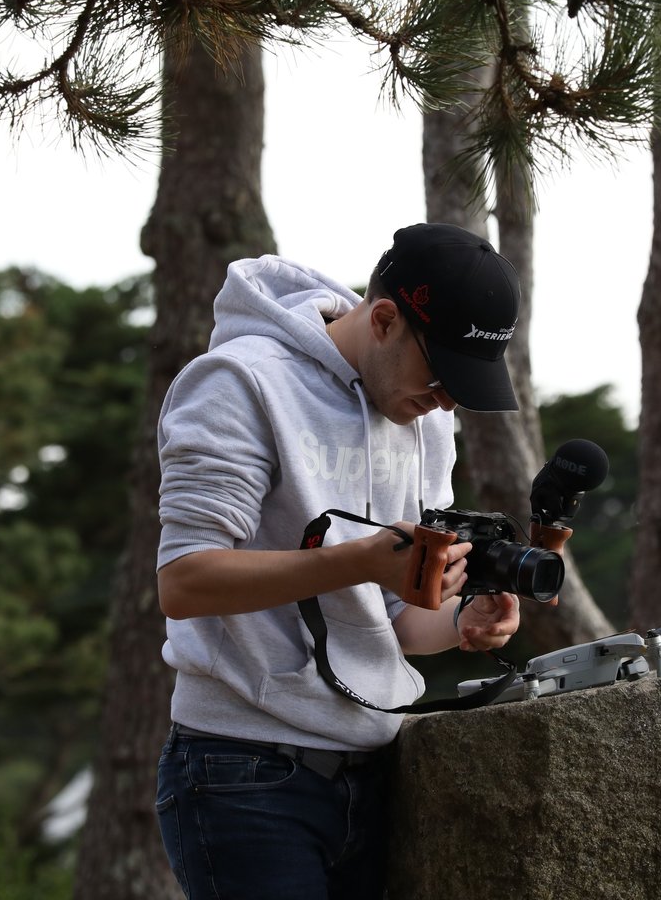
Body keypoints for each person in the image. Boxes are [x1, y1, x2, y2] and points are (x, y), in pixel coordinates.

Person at [153, 222, 525, 899]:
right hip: (244, 772)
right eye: (440, 374)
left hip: (379, 766)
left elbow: (394, 621)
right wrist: (360, 561)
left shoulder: (424, 420)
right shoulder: (239, 383)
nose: (446, 400)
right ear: (384, 319)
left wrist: (459, 620)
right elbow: (184, 580)